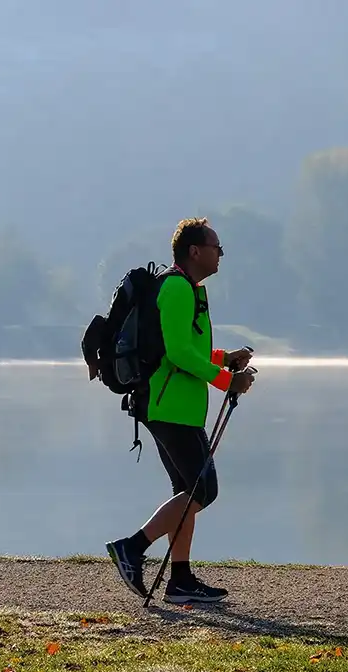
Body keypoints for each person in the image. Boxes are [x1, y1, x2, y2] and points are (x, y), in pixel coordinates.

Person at [105, 216, 255, 604]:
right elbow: (177, 352)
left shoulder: (190, 288)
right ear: (195, 251)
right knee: (204, 490)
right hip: (169, 406)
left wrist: (224, 360)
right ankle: (132, 548)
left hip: (179, 407)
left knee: (186, 492)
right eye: (216, 247)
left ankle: (181, 580)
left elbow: (191, 349)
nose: (220, 254)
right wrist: (227, 381)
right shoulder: (176, 288)